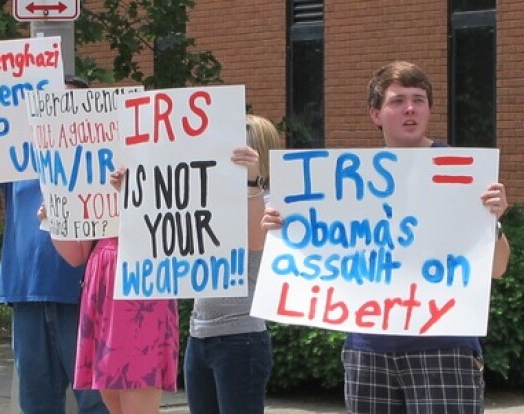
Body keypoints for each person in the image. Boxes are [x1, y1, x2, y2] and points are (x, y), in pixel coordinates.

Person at [262, 61, 511, 414]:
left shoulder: (462, 173)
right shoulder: (346, 184)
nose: (410, 108)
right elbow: (319, 247)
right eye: (398, 101)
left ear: (428, 109)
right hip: (368, 350)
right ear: (376, 114)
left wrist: (493, 221)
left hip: (444, 347)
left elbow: (498, 268)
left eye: (419, 99)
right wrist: (282, 230)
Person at [0, 74, 107, 414]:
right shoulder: (17, 155)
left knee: (95, 401)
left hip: (83, 294)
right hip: (26, 292)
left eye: (74, 105)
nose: (64, 112)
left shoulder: (103, 159)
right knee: (37, 403)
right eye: (57, 103)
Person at [45, 170, 179, 414]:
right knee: (113, 404)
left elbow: (170, 221)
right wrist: (54, 224)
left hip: (141, 286)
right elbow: (76, 255)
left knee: (138, 401)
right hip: (101, 292)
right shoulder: (93, 170)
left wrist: (132, 193)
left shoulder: (153, 155)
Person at [184, 114, 283, 414]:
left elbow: (255, 241)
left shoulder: (269, 201)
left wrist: (252, 180)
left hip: (242, 339)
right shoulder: (208, 200)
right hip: (198, 334)